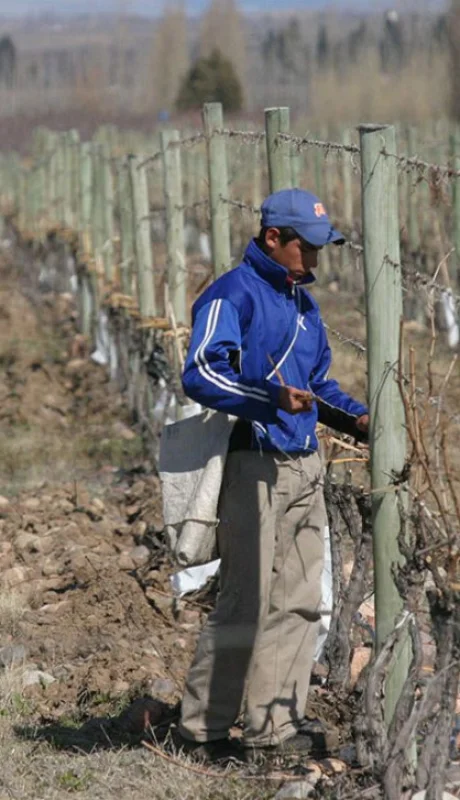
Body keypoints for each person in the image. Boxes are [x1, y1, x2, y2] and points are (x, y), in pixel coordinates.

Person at [176, 188, 369, 760]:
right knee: (245, 600)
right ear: (272, 240)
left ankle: (273, 730)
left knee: (302, 601)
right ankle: (203, 730)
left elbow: (318, 386)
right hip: (252, 460)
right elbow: (202, 372)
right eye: (305, 248)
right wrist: (266, 399)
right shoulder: (229, 295)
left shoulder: (305, 308)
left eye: (319, 249)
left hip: (305, 462)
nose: (313, 261)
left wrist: (357, 418)